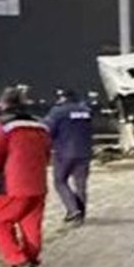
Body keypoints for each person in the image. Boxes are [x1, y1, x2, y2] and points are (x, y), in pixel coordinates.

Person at [0, 86, 51, 267]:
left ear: (4, 104)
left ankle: (19, 262)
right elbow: (46, 154)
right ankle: (30, 263)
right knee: (31, 226)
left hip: (11, 185)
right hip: (38, 184)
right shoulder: (41, 126)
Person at [45, 88, 93, 225]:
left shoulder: (58, 112)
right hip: (84, 152)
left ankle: (73, 209)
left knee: (60, 181)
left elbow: (48, 130)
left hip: (64, 152)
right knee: (81, 185)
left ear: (63, 98)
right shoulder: (86, 111)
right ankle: (81, 215)